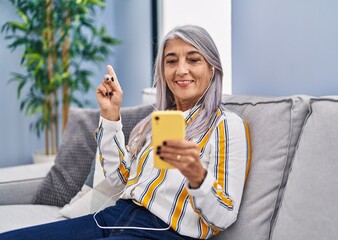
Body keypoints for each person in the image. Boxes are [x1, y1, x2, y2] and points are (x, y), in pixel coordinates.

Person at [0, 25, 249, 240]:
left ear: (212, 69)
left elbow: (223, 216)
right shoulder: (156, 123)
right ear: (163, 71)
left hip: (162, 232)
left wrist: (198, 177)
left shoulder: (226, 125)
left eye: (193, 59)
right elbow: (121, 180)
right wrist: (110, 116)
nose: (181, 70)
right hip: (112, 217)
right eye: (171, 61)